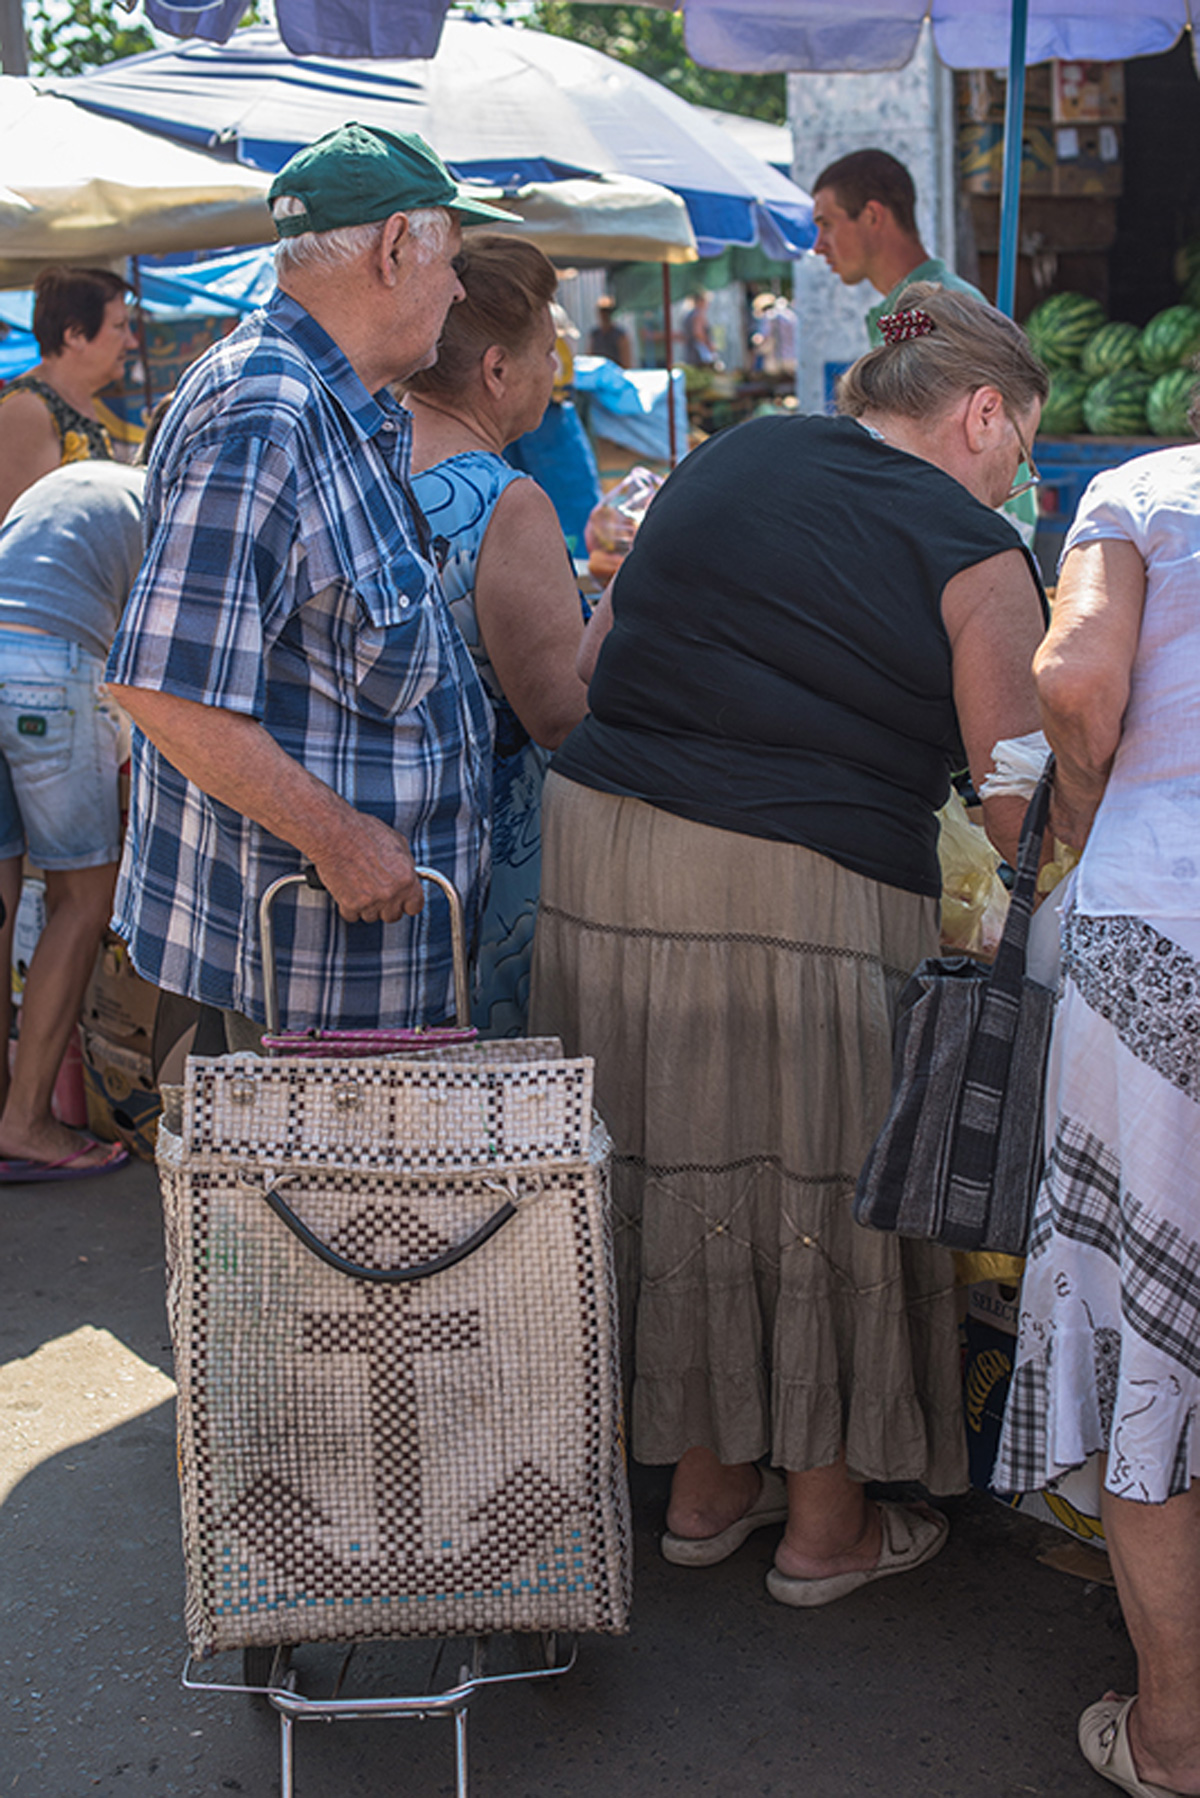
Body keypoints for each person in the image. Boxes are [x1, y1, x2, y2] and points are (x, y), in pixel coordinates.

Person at [530, 284, 1047, 1607]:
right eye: (1021, 447)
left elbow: (593, 667)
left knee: (673, 1157)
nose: (1018, 478)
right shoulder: (975, 547)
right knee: (816, 1187)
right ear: (981, 412)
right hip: (795, 879)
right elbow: (1016, 798)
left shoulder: (731, 449)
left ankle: (705, 1492)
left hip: (601, 849)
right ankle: (827, 1531)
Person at [104, 123, 514, 1044]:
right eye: (453, 258)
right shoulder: (269, 411)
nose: (458, 287)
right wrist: (338, 837)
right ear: (396, 247)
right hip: (299, 993)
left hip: (332, 983)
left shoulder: (324, 405)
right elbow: (161, 687)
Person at [992, 419, 1200, 1796]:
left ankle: (1178, 1733)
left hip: (1159, 935)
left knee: (1153, 1334)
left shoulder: (1148, 488)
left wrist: (1077, 806)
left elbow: (1075, 676)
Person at [405, 235, 589, 1036]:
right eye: (547, 352)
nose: (554, 371)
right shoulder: (502, 501)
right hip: (479, 864)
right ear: (496, 370)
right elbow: (561, 712)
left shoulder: (361, 465)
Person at [0, 455, 149, 1181]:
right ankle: (28, 1123)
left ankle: (6, 1108)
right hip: (48, 669)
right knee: (85, 899)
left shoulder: (88, 480)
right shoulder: (163, 504)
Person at [0, 266, 136, 523]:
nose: (131, 342)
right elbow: (15, 535)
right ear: (75, 335)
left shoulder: (75, 400)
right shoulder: (28, 409)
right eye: (119, 326)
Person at [810, 149, 983, 346]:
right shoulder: (909, 311)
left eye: (827, 225)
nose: (818, 246)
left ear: (872, 216)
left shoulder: (933, 310)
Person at [587, 295, 631, 369]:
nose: (604, 315)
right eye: (602, 311)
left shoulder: (620, 335)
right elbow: (589, 358)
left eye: (607, 311)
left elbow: (626, 361)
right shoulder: (595, 334)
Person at [680, 289, 718, 367]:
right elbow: (698, 333)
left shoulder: (689, 315)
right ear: (701, 301)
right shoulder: (698, 315)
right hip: (699, 353)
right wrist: (709, 344)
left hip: (690, 351)